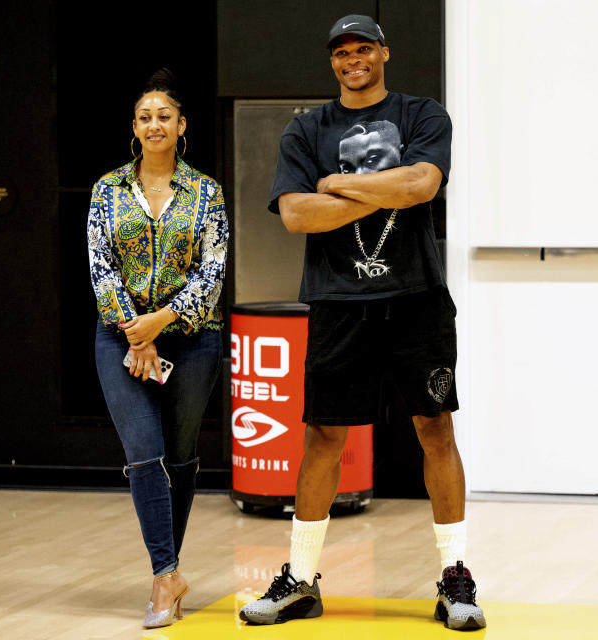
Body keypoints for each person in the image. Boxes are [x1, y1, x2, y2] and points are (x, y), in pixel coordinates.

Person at [238, 15, 485, 631]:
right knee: (323, 437)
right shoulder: (306, 128)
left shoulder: (422, 115)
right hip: (336, 301)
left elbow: (423, 184)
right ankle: (300, 579)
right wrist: (384, 188)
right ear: (333, 62)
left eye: (364, 49)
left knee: (436, 429)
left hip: (417, 299)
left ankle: (455, 576)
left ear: (384, 53)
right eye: (343, 52)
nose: (354, 59)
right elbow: (296, 215)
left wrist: (340, 184)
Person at [87, 69, 228, 628]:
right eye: (145, 117)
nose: (154, 124)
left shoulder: (206, 193)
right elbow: (100, 269)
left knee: (180, 453)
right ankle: (166, 575)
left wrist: (159, 325)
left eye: (163, 116)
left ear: (181, 126)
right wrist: (133, 331)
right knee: (143, 452)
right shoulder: (107, 189)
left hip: (192, 340)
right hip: (118, 338)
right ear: (135, 128)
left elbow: (212, 271)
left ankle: (167, 570)